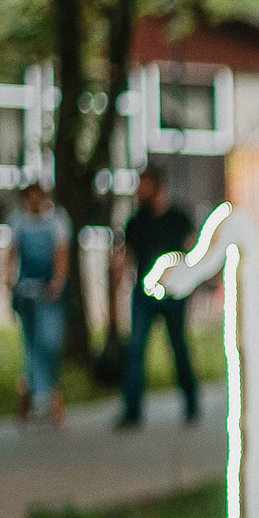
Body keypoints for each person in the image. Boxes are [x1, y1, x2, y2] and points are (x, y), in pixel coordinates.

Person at [113, 165, 200, 429]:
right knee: (136, 349)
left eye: (144, 184)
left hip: (174, 294)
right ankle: (132, 410)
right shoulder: (136, 222)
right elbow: (125, 258)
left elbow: (192, 253)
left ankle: (191, 402)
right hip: (144, 294)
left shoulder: (179, 219)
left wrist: (189, 283)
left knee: (178, 347)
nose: (139, 190)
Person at [6, 180, 71, 428]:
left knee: (49, 342)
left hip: (49, 293)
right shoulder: (19, 220)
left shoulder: (57, 220)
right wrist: (9, 279)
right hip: (26, 291)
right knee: (31, 345)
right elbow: (12, 253)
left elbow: (61, 253)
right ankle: (39, 395)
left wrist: (58, 281)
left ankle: (43, 392)